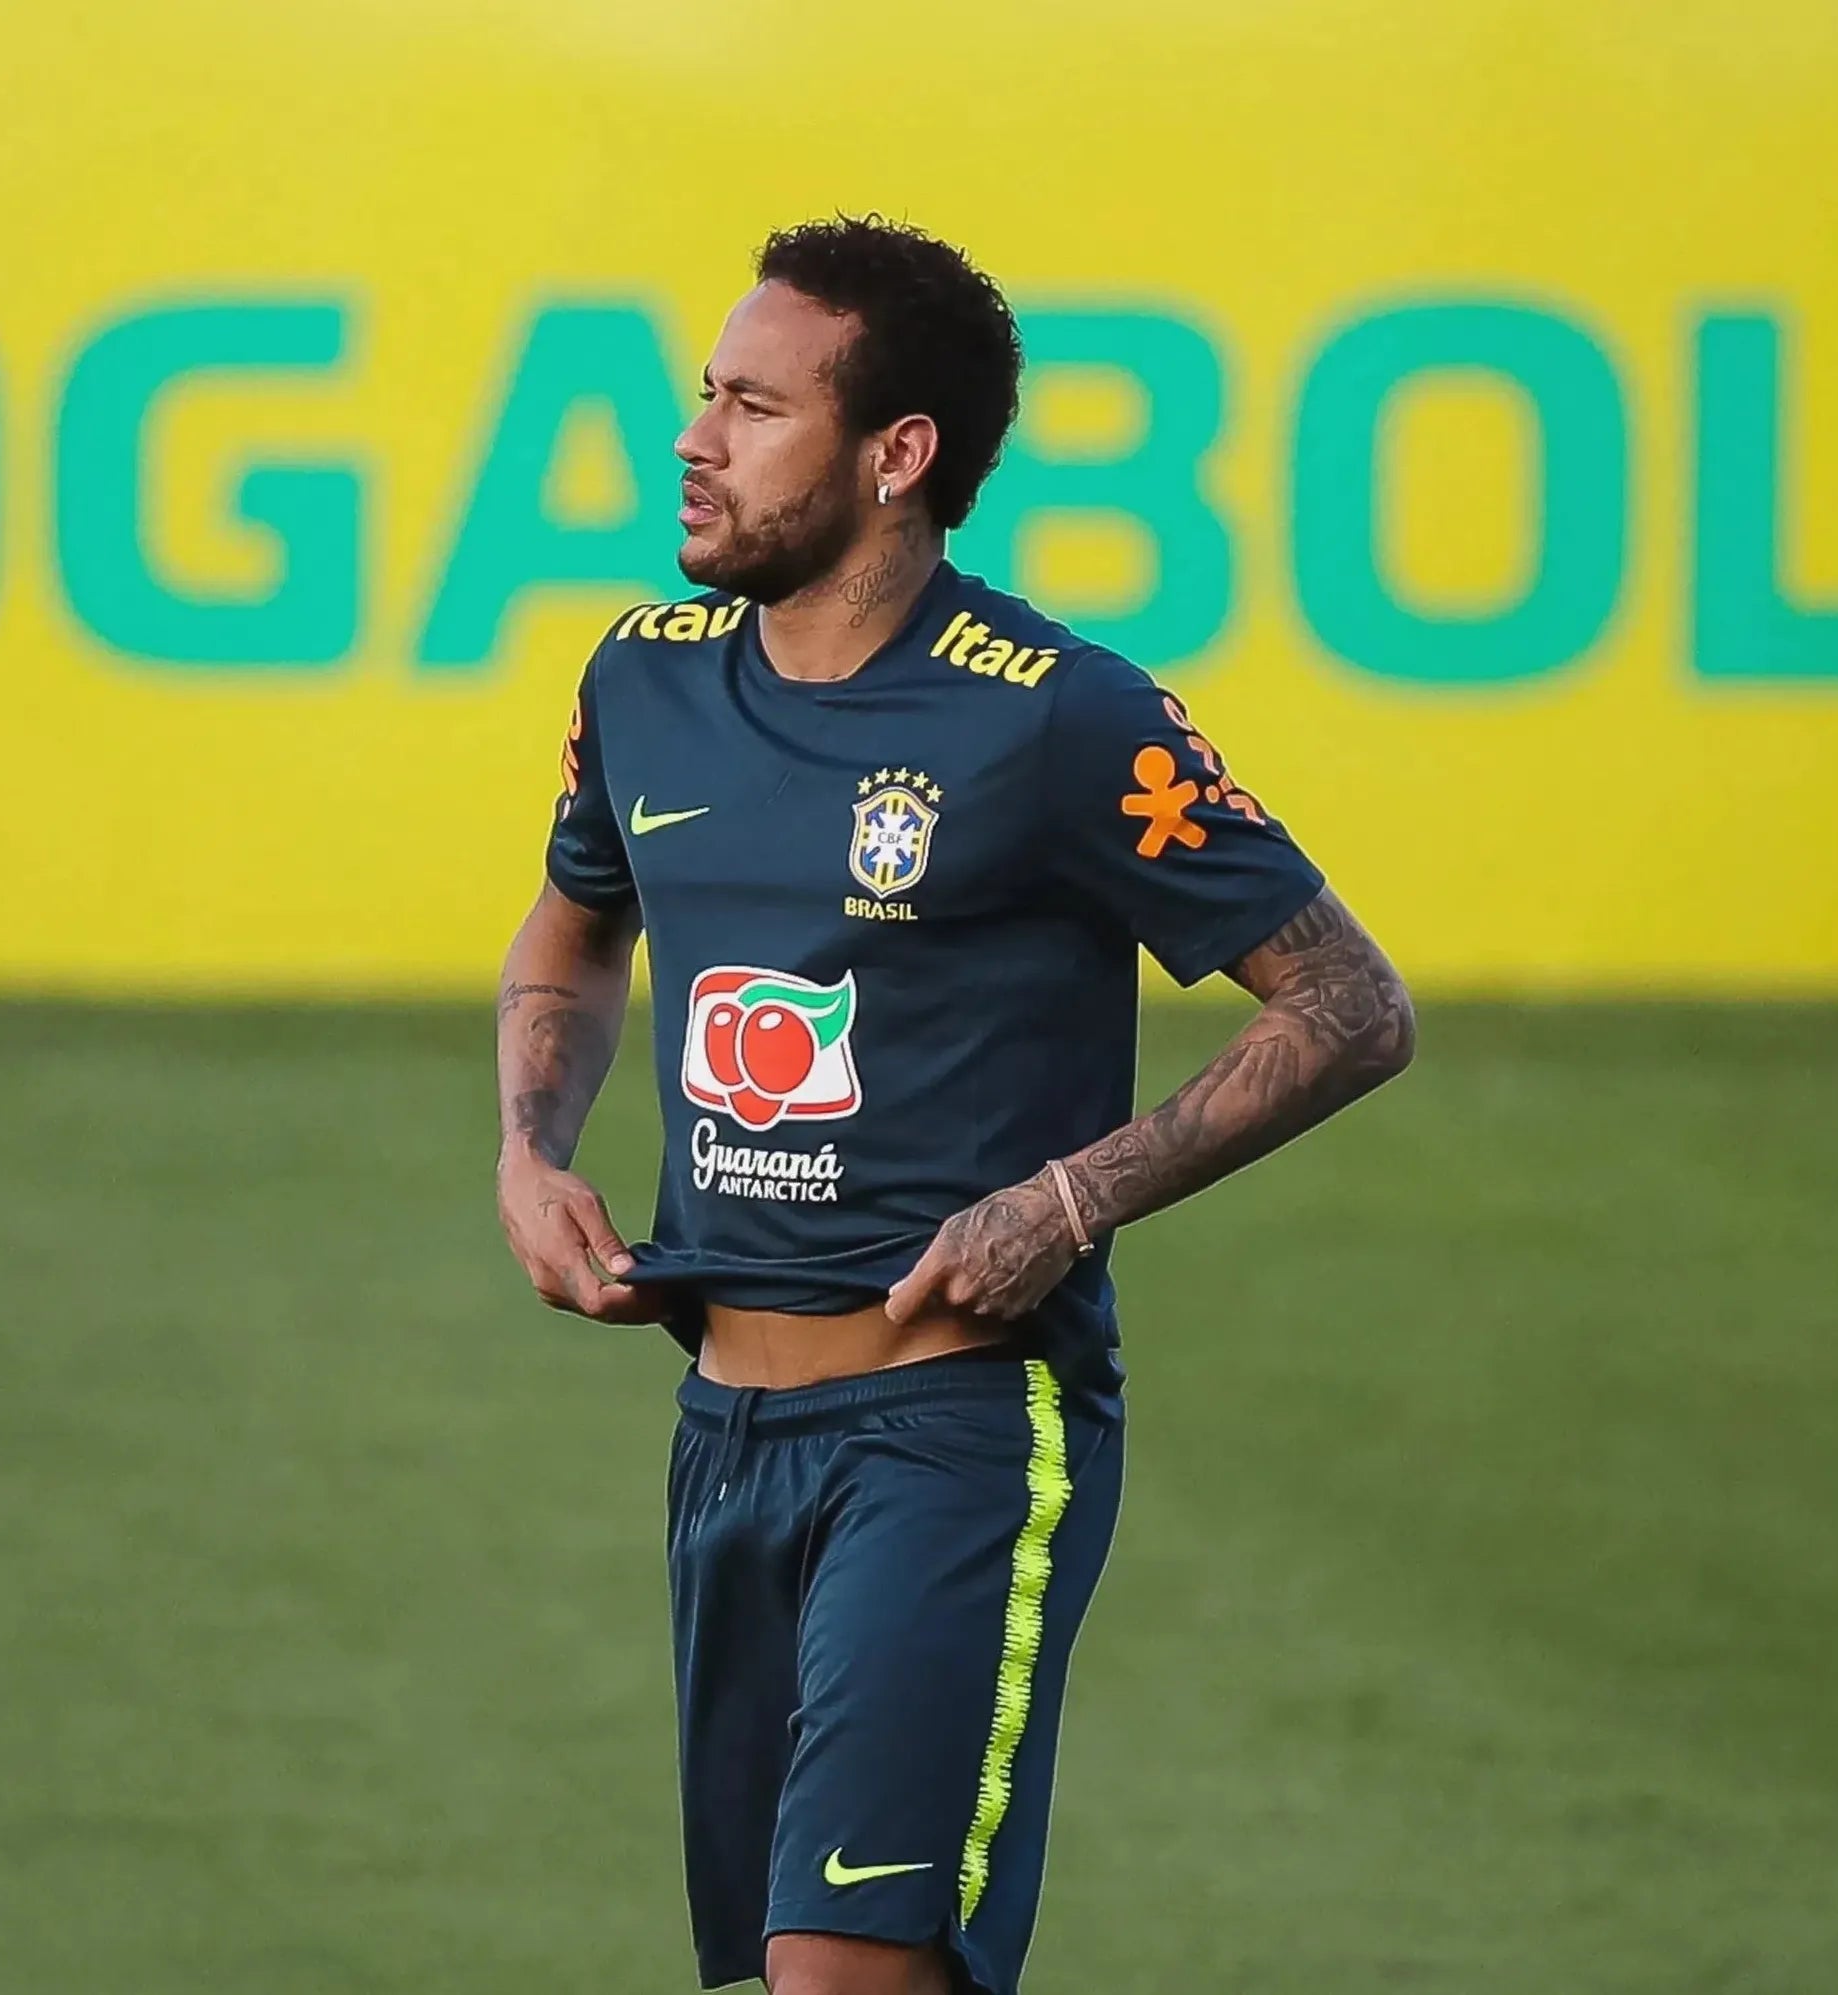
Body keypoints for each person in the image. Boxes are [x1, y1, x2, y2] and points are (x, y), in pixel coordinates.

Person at [492, 215, 1416, 1995]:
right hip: (721, 1439)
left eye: (753, 407)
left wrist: (1071, 1203)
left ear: (896, 455)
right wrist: (532, 1156)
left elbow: (1350, 1004)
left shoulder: (1061, 718)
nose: (693, 438)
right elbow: (571, 927)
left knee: (845, 1966)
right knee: (793, 1975)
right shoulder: (646, 677)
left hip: (955, 1428)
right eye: (705, 394)